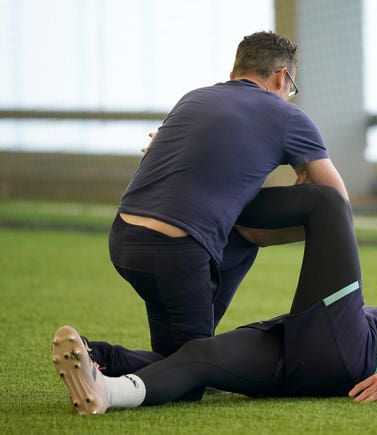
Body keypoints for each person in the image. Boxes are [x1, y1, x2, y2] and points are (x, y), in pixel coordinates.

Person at [51, 184, 377, 415]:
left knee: (328, 206)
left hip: (352, 351)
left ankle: (203, 194)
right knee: (202, 357)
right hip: (316, 345)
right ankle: (105, 377)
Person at [88, 31, 349, 378]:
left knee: (175, 357)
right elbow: (335, 202)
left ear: (236, 70)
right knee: (193, 373)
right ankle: (98, 355)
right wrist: (304, 188)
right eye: (291, 89)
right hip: (176, 253)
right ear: (281, 77)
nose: (288, 96)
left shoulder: (192, 99)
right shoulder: (287, 117)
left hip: (124, 241)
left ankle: (115, 368)